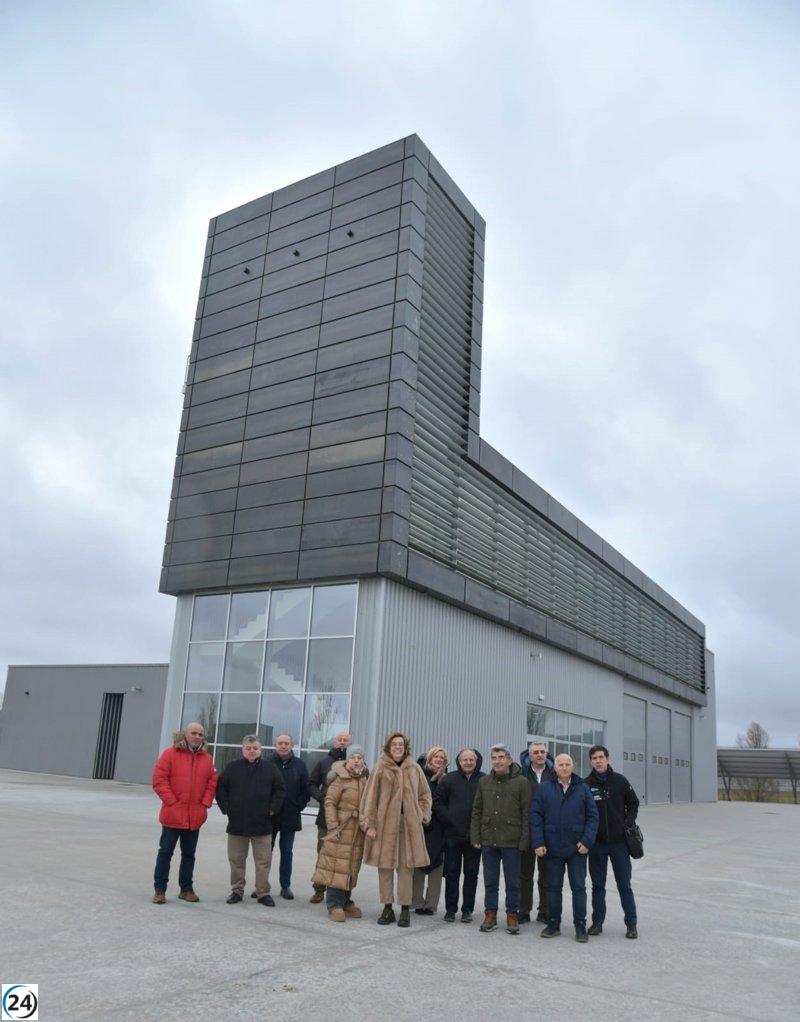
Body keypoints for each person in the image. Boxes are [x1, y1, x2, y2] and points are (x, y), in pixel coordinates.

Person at [360, 731, 432, 928]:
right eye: (394, 745)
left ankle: (405, 909)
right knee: (385, 868)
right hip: (385, 826)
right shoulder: (380, 768)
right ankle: (387, 908)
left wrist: (422, 815)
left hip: (408, 826)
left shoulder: (415, 769)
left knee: (406, 869)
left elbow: (425, 795)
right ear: (388, 748)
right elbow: (369, 798)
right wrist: (370, 824)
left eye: (401, 744)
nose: (398, 747)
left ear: (405, 747)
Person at [531, 752, 599, 942]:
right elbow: (535, 816)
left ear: (573, 766)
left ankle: (580, 926)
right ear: (555, 767)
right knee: (553, 887)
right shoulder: (544, 789)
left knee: (578, 888)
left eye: (567, 764)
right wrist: (538, 842)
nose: (564, 767)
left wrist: (586, 841)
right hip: (552, 848)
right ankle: (553, 924)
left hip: (577, 848)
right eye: (560, 764)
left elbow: (593, 817)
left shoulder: (583, 788)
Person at [151, 722, 217, 904]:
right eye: (194, 733)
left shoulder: (206, 759)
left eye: (200, 734)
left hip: (194, 817)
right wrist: (172, 802)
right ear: (185, 735)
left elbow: (212, 782)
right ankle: (160, 890)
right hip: (173, 815)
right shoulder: (170, 754)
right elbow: (159, 780)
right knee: (165, 853)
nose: (197, 737)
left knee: (189, 855)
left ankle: (186, 889)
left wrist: (205, 803)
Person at [215, 735, 285, 907]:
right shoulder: (232, 768)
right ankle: (237, 891)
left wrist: (272, 810)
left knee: (263, 861)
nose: (252, 751)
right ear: (243, 749)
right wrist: (227, 809)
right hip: (237, 824)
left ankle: (263, 893)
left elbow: (280, 790)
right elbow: (221, 789)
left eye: (255, 748)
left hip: (263, 824)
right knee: (236, 860)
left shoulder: (270, 768)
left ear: (260, 750)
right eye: (248, 748)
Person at [470, 743, 531, 935]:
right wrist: (476, 836)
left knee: (513, 881)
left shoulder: (522, 782)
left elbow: (526, 813)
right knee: (490, 880)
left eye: (501, 757)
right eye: (494, 758)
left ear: (509, 760)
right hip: (489, 839)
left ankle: (512, 914)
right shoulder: (484, 782)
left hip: (512, 840)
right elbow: (477, 810)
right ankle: (491, 914)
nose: (497, 761)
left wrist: (524, 840)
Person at [585, 744, 640, 939]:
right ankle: (597, 922)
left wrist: (627, 822)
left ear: (607, 759)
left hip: (619, 843)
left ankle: (631, 924)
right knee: (598, 886)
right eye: (594, 758)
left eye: (601, 757)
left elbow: (633, 803)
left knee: (624, 885)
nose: (598, 761)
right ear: (590, 761)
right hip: (597, 845)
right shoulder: (586, 784)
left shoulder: (620, 781)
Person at [312, 745, 369, 921]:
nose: (356, 760)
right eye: (353, 757)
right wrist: (333, 826)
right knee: (337, 866)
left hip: (357, 832)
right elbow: (329, 803)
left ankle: (345, 901)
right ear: (347, 760)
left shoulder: (364, 780)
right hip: (341, 829)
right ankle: (334, 904)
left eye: (359, 757)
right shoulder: (339, 779)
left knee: (351, 866)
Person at [433, 748, 485, 923]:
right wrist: (448, 818)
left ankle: (467, 910)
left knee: (471, 875)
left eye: (471, 759)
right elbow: (437, 801)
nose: (468, 762)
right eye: (465, 759)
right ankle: (450, 909)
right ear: (459, 761)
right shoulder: (449, 779)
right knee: (452, 874)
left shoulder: (484, 780)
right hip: (453, 836)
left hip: (475, 837)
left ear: (476, 761)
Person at [307, 730, 352, 903]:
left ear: (350, 743)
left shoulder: (355, 763)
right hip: (325, 818)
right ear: (335, 742)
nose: (342, 743)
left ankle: (342, 892)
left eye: (345, 740)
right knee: (323, 854)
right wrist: (321, 798)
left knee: (344, 857)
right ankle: (319, 889)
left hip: (348, 821)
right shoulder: (324, 762)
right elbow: (311, 784)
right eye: (339, 740)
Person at [268, 733, 310, 900]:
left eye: (286, 743)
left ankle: (285, 886)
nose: (283, 746)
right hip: (269, 817)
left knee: (286, 852)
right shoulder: (267, 763)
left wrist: (298, 805)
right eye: (280, 743)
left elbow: (306, 790)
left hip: (290, 817)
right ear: (275, 745)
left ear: (292, 745)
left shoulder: (300, 765)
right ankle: (262, 886)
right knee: (265, 853)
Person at [518, 740, 554, 924]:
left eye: (542, 751)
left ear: (547, 754)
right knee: (525, 874)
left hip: (549, 832)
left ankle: (545, 910)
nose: (540, 754)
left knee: (546, 874)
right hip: (527, 830)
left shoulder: (554, 773)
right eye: (536, 752)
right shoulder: (521, 773)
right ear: (529, 755)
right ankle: (523, 910)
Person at [412, 747, 449, 915]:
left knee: (437, 865)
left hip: (440, 827)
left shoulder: (447, 779)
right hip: (422, 825)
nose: (439, 759)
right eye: (436, 756)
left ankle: (431, 904)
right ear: (429, 758)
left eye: (442, 757)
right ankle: (417, 902)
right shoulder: (420, 775)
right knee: (419, 864)